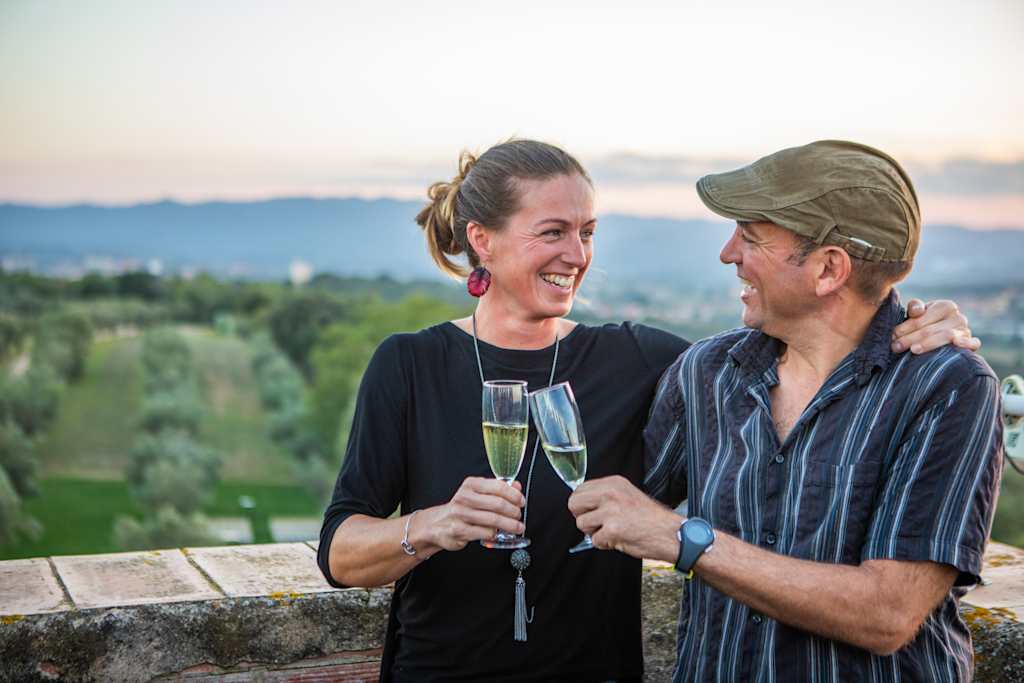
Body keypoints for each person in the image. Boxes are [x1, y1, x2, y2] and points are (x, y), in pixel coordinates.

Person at [317, 139, 978, 682]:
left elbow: (825, 336)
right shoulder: (411, 365)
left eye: (587, 232)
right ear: (482, 240)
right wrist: (432, 524)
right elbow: (341, 549)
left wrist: (909, 313)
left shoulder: (650, 363)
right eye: (553, 232)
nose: (577, 255)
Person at [567, 140, 1003, 682]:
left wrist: (682, 541)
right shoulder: (708, 371)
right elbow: (600, 509)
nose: (728, 254)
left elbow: (887, 614)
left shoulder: (946, 387)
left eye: (750, 238)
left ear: (828, 269)